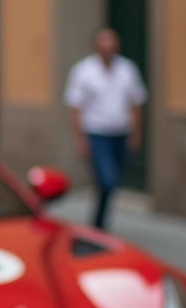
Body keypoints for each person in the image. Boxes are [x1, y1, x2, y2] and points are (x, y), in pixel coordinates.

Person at [63, 27, 148, 230]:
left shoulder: (128, 70)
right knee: (107, 180)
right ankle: (99, 224)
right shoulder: (83, 71)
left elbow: (135, 103)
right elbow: (75, 107)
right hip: (96, 134)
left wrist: (136, 133)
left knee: (112, 180)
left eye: (111, 44)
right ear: (96, 47)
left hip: (120, 133)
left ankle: (99, 219)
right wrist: (79, 138)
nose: (108, 48)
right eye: (104, 44)